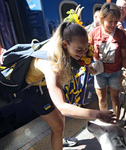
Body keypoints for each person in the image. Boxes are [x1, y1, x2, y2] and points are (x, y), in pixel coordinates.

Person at [14, 22, 117, 150]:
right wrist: (98, 114)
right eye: (79, 50)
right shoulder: (51, 64)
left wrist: (88, 63)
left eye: (86, 48)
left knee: (60, 119)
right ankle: (59, 139)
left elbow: (81, 54)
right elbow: (62, 107)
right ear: (65, 44)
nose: (83, 53)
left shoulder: (65, 43)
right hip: (34, 90)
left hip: (45, 84)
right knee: (58, 126)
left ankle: (60, 140)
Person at [88, 3, 126, 118]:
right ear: (102, 18)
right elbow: (87, 52)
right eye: (110, 21)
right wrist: (88, 65)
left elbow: (124, 56)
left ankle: (115, 122)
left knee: (115, 99)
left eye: (116, 21)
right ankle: (105, 120)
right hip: (99, 73)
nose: (113, 25)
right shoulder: (94, 33)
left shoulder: (120, 34)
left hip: (115, 73)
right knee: (102, 99)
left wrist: (124, 72)